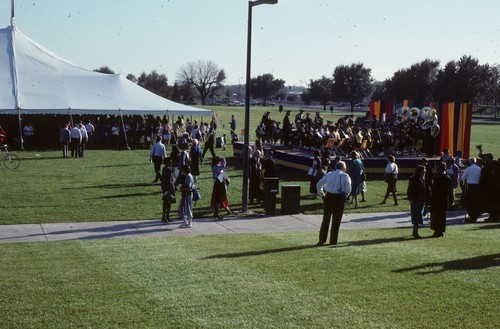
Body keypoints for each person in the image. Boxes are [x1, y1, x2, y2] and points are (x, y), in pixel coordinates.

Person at [316, 161, 352, 246]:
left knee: (326, 219)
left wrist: (322, 195)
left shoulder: (329, 174)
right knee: (336, 220)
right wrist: (345, 196)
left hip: (329, 197)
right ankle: (333, 241)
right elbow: (348, 188)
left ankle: (322, 240)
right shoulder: (345, 176)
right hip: (339, 198)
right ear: (344, 168)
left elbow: (319, 184)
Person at [430, 162, 454, 237]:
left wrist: (450, 201)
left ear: (441, 168)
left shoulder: (445, 177)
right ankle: (436, 230)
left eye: (437, 168)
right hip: (435, 200)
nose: (436, 169)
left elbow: (449, 191)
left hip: (442, 200)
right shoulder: (437, 176)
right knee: (435, 216)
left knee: (440, 216)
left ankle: (439, 231)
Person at [407, 165, 426, 239]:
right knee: (416, 216)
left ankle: (414, 232)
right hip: (416, 199)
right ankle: (415, 232)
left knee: (419, 215)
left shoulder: (422, 179)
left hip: (420, 199)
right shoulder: (414, 179)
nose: (425, 171)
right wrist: (412, 198)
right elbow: (410, 190)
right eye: (423, 170)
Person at [461, 157, 482, 223]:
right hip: (478, 187)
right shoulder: (479, 168)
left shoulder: (468, 168)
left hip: (471, 187)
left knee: (470, 202)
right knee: (476, 202)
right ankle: (474, 215)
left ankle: (472, 216)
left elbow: (462, 177)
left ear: (470, 162)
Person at [161, 157, 176, 223]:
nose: (171, 163)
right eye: (170, 162)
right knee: (167, 203)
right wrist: (169, 190)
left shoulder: (164, 169)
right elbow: (169, 181)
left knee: (166, 203)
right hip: (169, 188)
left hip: (165, 188)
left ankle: (165, 216)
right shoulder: (168, 170)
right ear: (166, 162)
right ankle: (166, 216)